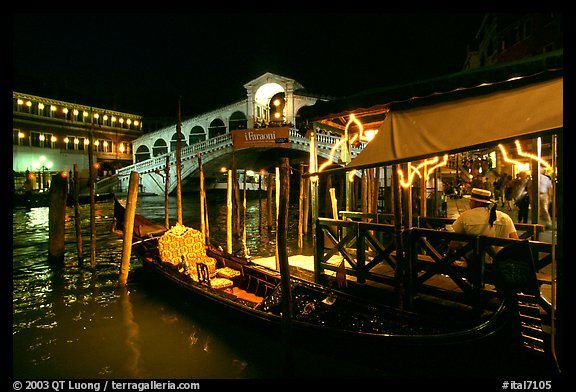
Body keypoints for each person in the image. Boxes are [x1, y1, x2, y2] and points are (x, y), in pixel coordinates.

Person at [448, 188, 518, 252]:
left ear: (478, 203)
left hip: (473, 262)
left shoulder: (465, 216)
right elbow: (515, 240)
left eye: (471, 201)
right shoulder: (505, 217)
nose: (469, 203)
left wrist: (448, 258)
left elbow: (454, 242)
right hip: (499, 262)